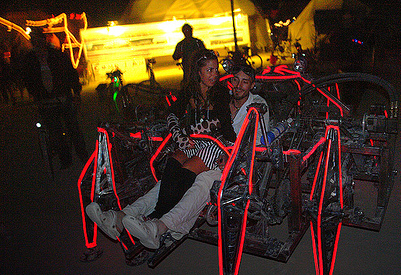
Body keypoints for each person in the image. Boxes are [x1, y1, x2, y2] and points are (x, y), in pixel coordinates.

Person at [86, 63, 269, 250]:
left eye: (245, 82)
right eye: (235, 80)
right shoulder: (222, 98)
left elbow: (258, 142)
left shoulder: (258, 105)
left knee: (204, 181)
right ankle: (121, 217)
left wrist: (229, 155)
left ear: (252, 85)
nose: (238, 85)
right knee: (170, 178)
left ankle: (158, 226)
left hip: (231, 162)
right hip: (205, 148)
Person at [22, 28, 88, 169]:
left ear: (43, 40)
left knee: (73, 129)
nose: (36, 44)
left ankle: (84, 156)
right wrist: (35, 96)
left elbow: (71, 74)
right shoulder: (30, 60)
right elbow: (28, 80)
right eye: (33, 41)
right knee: (55, 133)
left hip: (63, 98)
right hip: (45, 101)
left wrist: (76, 92)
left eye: (38, 40)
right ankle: (66, 159)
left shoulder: (58, 56)